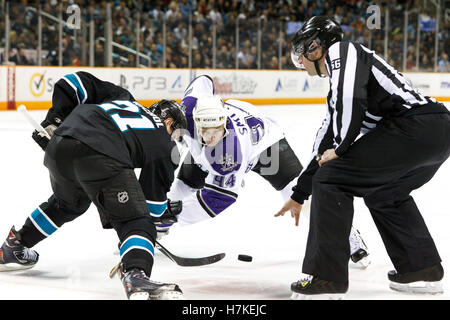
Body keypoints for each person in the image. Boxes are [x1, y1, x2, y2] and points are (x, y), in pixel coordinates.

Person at [276, 16, 450, 299]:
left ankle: (326, 278)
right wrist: (299, 193)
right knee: (384, 193)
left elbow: (351, 104)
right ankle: (422, 269)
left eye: (302, 51)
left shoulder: (343, 52)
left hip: (417, 127)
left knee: (330, 179)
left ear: (316, 47)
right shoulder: (338, 86)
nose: (300, 60)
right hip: (435, 133)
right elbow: (324, 143)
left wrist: (342, 148)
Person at [0, 72, 187, 300]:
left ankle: (14, 245)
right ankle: (135, 274)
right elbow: (152, 207)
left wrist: (55, 119)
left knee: (68, 205)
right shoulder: (166, 143)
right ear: (169, 121)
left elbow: (72, 82)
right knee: (136, 221)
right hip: (101, 151)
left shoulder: (123, 99)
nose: (175, 138)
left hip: (61, 141)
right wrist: (157, 218)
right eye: (176, 132)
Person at [162, 75, 370, 267]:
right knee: (180, 187)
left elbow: (218, 199)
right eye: (205, 131)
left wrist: (176, 214)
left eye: (216, 131)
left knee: (300, 196)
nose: (211, 137)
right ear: (195, 120)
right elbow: (203, 80)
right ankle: (154, 228)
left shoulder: (230, 152)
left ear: (224, 123)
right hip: (223, 138)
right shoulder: (189, 108)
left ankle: (349, 237)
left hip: (266, 145)